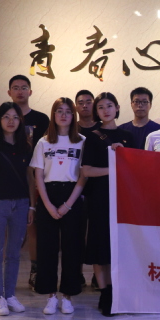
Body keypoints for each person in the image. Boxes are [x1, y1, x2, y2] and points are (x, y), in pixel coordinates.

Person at [31, 98, 87, 315]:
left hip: (72, 195)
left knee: (73, 248)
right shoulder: (43, 142)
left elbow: (83, 176)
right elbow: (38, 175)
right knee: (47, 249)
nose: (64, 115)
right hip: (48, 195)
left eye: (68, 111)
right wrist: (47, 205)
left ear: (73, 116)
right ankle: (50, 296)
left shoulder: (81, 141)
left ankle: (68, 296)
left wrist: (67, 205)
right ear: (53, 115)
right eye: (59, 111)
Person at [82, 93, 135, 316]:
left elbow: (136, 168)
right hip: (99, 198)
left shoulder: (128, 136)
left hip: (123, 198)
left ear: (117, 108)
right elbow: (86, 171)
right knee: (99, 246)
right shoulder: (91, 137)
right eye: (101, 107)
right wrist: (112, 170)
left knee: (118, 246)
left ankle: (117, 290)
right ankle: (104, 292)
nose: (106, 110)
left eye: (109, 106)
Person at [0, 102, 35, 316]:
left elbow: (30, 178)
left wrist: (31, 206)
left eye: (15, 117)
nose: (11, 121)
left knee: (14, 253)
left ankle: (10, 294)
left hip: (21, 204)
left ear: (20, 121)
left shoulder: (25, 147)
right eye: (6, 117)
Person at [7, 75, 49, 292]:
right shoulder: (5, 117)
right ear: (9, 92)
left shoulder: (41, 119)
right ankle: (7, 275)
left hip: (36, 178)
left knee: (34, 228)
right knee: (10, 229)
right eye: (16, 88)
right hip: (11, 178)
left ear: (30, 92)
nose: (20, 91)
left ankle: (36, 270)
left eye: (24, 87)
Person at [75, 89, 99, 289]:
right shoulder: (70, 128)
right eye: (81, 102)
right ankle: (77, 273)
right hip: (74, 188)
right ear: (76, 106)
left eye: (88, 101)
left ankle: (98, 275)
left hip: (98, 187)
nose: (85, 105)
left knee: (97, 232)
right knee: (77, 233)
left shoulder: (102, 128)